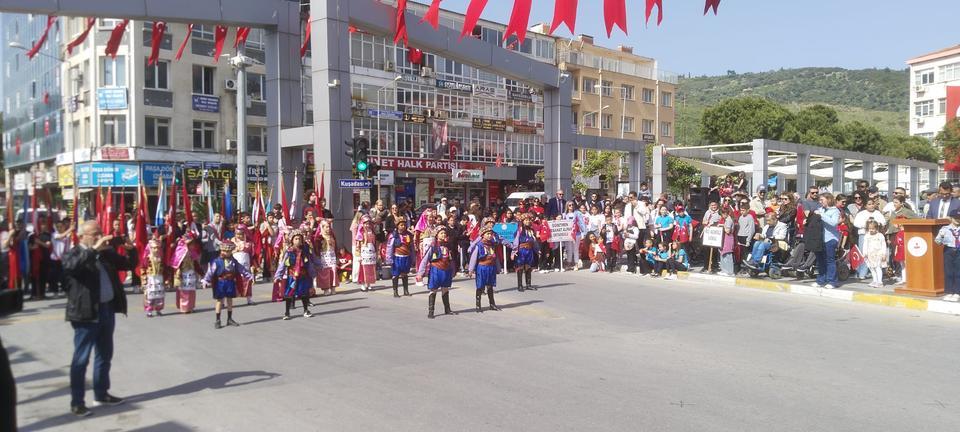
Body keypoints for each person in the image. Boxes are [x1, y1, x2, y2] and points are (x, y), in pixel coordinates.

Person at [63, 220, 138, 417]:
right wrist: (94, 250)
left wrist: (131, 250)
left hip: (106, 310)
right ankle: (77, 402)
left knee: (104, 355)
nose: (99, 236)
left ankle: (101, 393)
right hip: (85, 313)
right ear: (82, 236)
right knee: (81, 359)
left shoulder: (105, 254)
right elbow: (72, 268)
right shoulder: (74, 253)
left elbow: (129, 265)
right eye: (94, 234)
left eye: (99, 233)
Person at [202, 242, 252, 329]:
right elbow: (211, 271)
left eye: (228, 251)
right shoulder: (217, 261)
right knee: (219, 301)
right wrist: (206, 280)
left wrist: (248, 275)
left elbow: (241, 268)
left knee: (230, 299)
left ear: (231, 251)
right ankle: (218, 320)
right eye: (224, 251)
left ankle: (229, 319)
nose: (225, 253)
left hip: (230, 282)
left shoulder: (233, 261)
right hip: (221, 282)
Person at [274, 230, 316, 319]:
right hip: (292, 276)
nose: (298, 241)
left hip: (303, 275)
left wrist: (316, 269)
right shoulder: (289, 251)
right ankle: (287, 313)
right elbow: (283, 264)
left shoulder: (305, 250)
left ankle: (306, 310)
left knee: (304, 293)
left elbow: (312, 260)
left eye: (299, 239)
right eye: (296, 239)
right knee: (289, 294)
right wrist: (278, 275)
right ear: (292, 240)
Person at [416, 228, 457, 318]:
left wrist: (453, 270)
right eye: (441, 233)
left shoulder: (448, 246)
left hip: (446, 271)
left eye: (444, 233)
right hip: (436, 270)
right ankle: (431, 311)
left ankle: (447, 309)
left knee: (445, 289)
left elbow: (451, 260)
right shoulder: (433, 246)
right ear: (437, 235)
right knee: (433, 289)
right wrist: (420, 273)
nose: (443, 235)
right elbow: (425, 259)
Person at [469, 229, 501, 313]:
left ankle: (492, 304)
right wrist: (471, 269)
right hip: (482, 267)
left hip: (491, 267)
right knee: (480, 286)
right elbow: (473, 258)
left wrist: (498, 268)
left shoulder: (492, 245)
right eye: (487, 234)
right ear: (483, 235)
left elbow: (495, 257)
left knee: (490, 286)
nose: (489, 236)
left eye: (491, 234)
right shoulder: (479, 245)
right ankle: (478, 305)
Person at [813, 193, 841, 289]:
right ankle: (821, 280)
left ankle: (832, 281)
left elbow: (834, 223)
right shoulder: (820, 209)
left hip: (830, 238)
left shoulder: (835, 211)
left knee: (830, 260)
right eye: (820, 200)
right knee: (820, 260)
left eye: (822, 200)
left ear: (828, 200)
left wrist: (821, 215)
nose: (820, 202)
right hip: (820, 239)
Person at [385, 218, 415, 297]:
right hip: (397, 258)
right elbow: (389, 247)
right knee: (396, 274)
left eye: (404, 225)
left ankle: (406, 291)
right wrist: (389, 259)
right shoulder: (393, 235)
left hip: (406, 257)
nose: (403, 226)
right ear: (397, 226)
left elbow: (412, 247)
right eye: (401, 225)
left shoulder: (408, 235)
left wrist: (413, 258)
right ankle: (395, 291)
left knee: (405, 274)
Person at [935, 208, 960, 301]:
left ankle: (957, 292)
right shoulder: (945, 229)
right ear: (951, 218)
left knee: (958, 272)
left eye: (959, 218)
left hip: (959, 250)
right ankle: (949, 292)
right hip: (948, 250)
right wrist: (941, 236)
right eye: (955, 218)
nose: (958, 220)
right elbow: (937, 242)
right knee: (948, 271)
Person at [511, 213, 540, 291]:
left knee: (528, 267)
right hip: (521, 250)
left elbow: (534, 241)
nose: (528, 221)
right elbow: (516, 240)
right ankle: (520, 285)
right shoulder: (519, 229)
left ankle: (528, 284)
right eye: (526, 220)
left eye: (529, 220)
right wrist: (514, 251)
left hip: (529, 250)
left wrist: (537, 249)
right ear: (523, 221)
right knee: (520, 268)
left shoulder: (531, 230)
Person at [352, 214, 378, 292]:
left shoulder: (372, 232)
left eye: (368, 223)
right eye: (365, 223)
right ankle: (363, 285)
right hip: (364, 251)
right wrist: (359, 254)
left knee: (370, 268)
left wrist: (376, 252)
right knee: (363, 269)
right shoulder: (361, 232)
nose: (367, 225)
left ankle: (369, 284)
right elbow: (358, 245)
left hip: (371, 251)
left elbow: (374, 243)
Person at [141, 239, 166, 317]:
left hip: (159, 278)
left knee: (159, 295)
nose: (156, 250)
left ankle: (158, 309)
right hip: (150, 278)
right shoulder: (147, 258)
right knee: (150, 295)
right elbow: (143, 268)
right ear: (150, 248)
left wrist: (166, 279)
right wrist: (144, 280)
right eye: (154, 248)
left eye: (158, 248)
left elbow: (164, 268)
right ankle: (149, 310)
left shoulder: (160, 258)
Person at [315, 219, 339, 296]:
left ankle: (333, 287)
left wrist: (337, 256)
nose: (328, 228)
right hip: (324, 257)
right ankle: (326, 288)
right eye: (326, 227)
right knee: (325, 272)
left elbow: (336, 247)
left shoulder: (332, 236)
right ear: (322, 227)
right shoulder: (319, 237)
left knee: (333, 271)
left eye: (329, 227)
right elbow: (316, 249)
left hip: (332, 256)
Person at [861, 220, 887, 288]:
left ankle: (880, 282)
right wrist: (865, 253)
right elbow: (865, 245)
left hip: (878, 254)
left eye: (873, 228)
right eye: (869, 228)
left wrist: (884, 254)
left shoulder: (880, 235)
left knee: (878, 267)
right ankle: (875, 280)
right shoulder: (867, 236)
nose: (871, 230)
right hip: (870, 254)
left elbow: (883, 245)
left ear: (876, 228)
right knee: (872, 268)